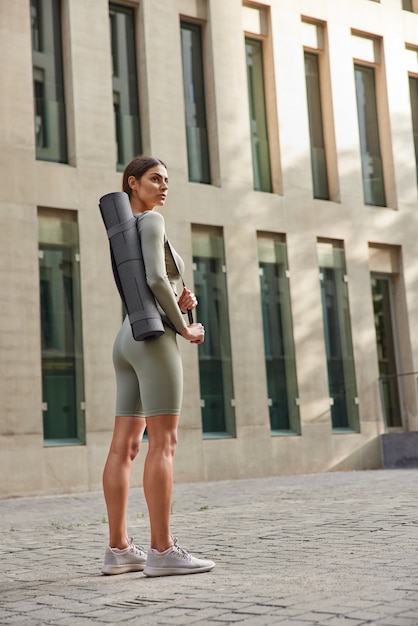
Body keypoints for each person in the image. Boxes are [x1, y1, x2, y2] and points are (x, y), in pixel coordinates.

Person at [101, 155, 215, 577]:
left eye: (167, 180)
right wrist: (184, 329)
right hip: (154, 342)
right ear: (132, 183)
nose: (164, 186)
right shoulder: (150, 221)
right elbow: (153, 278)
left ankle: (118, 550)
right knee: (163, 443)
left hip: (126, 337)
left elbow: (155, 283)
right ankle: (162, 551)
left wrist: (181, 298)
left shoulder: (124, 228)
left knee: (123, 447)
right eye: (155, 179)